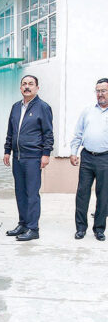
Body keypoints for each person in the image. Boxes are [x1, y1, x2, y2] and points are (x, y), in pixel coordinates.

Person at [3, 75, 54, 241]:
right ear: (20, 88)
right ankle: (23, 224)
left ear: (37, 88)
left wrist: (46, 154)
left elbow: (48, 133)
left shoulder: (43, 107)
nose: (27, 87)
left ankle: (33, 228)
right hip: (17, 157)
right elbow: (11, 131)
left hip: (33, 157)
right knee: (20, 192)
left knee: (32, 193)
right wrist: (7, 151)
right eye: (24, 84)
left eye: (31, 84)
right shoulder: (16, 107)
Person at [70, 78, 108, 241]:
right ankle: (80, 228)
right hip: (87, 157)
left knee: (104, 195)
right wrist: (73, 152)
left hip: (105, 158)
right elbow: (78, 134)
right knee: (82, 194)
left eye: (103, 90)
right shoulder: (87, 111)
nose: (100, 94)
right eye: (98, 91)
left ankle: (99, 229)